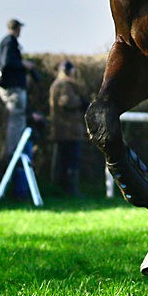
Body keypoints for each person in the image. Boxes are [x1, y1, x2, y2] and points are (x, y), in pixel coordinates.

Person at [0, 18, 37, 199]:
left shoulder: (6, 42)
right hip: (13, 88)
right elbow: (8, 62)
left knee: (18, 117)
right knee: (16, 118)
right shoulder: (10, 42)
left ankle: (16, 145)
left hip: (10, 87)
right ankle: (14, 148)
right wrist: (24, 65)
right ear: (16, 28)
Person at [49, 60, 88, 197]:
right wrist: (82, 101)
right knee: (72, 161)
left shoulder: (58, 84)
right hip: (69, 130)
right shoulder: (64, 84)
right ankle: (71, 190)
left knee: (64, 161)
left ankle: (62, 190)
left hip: (63, 130)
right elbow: (67, 102)